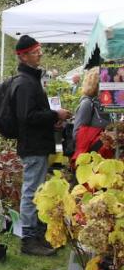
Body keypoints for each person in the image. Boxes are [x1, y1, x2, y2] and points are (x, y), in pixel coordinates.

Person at [13, 36, 71, 256]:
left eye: (40, 50)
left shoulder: (30, 80)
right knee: (31, 191)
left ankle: (36, 235)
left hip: (37, 144)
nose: (40, 54)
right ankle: (28, 239)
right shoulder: (25, 83)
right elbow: (27, 116)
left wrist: (52, 119)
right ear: (24, 55)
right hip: (33, 145)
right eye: (36, 51)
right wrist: (55, 114)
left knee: (36, 190)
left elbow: (33, 115)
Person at [71, 68, 111, 164]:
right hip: (91, 158)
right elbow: (77, 134)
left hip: (104, 157)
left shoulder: (105, 103)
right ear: (96, 84)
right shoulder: (88, 103)